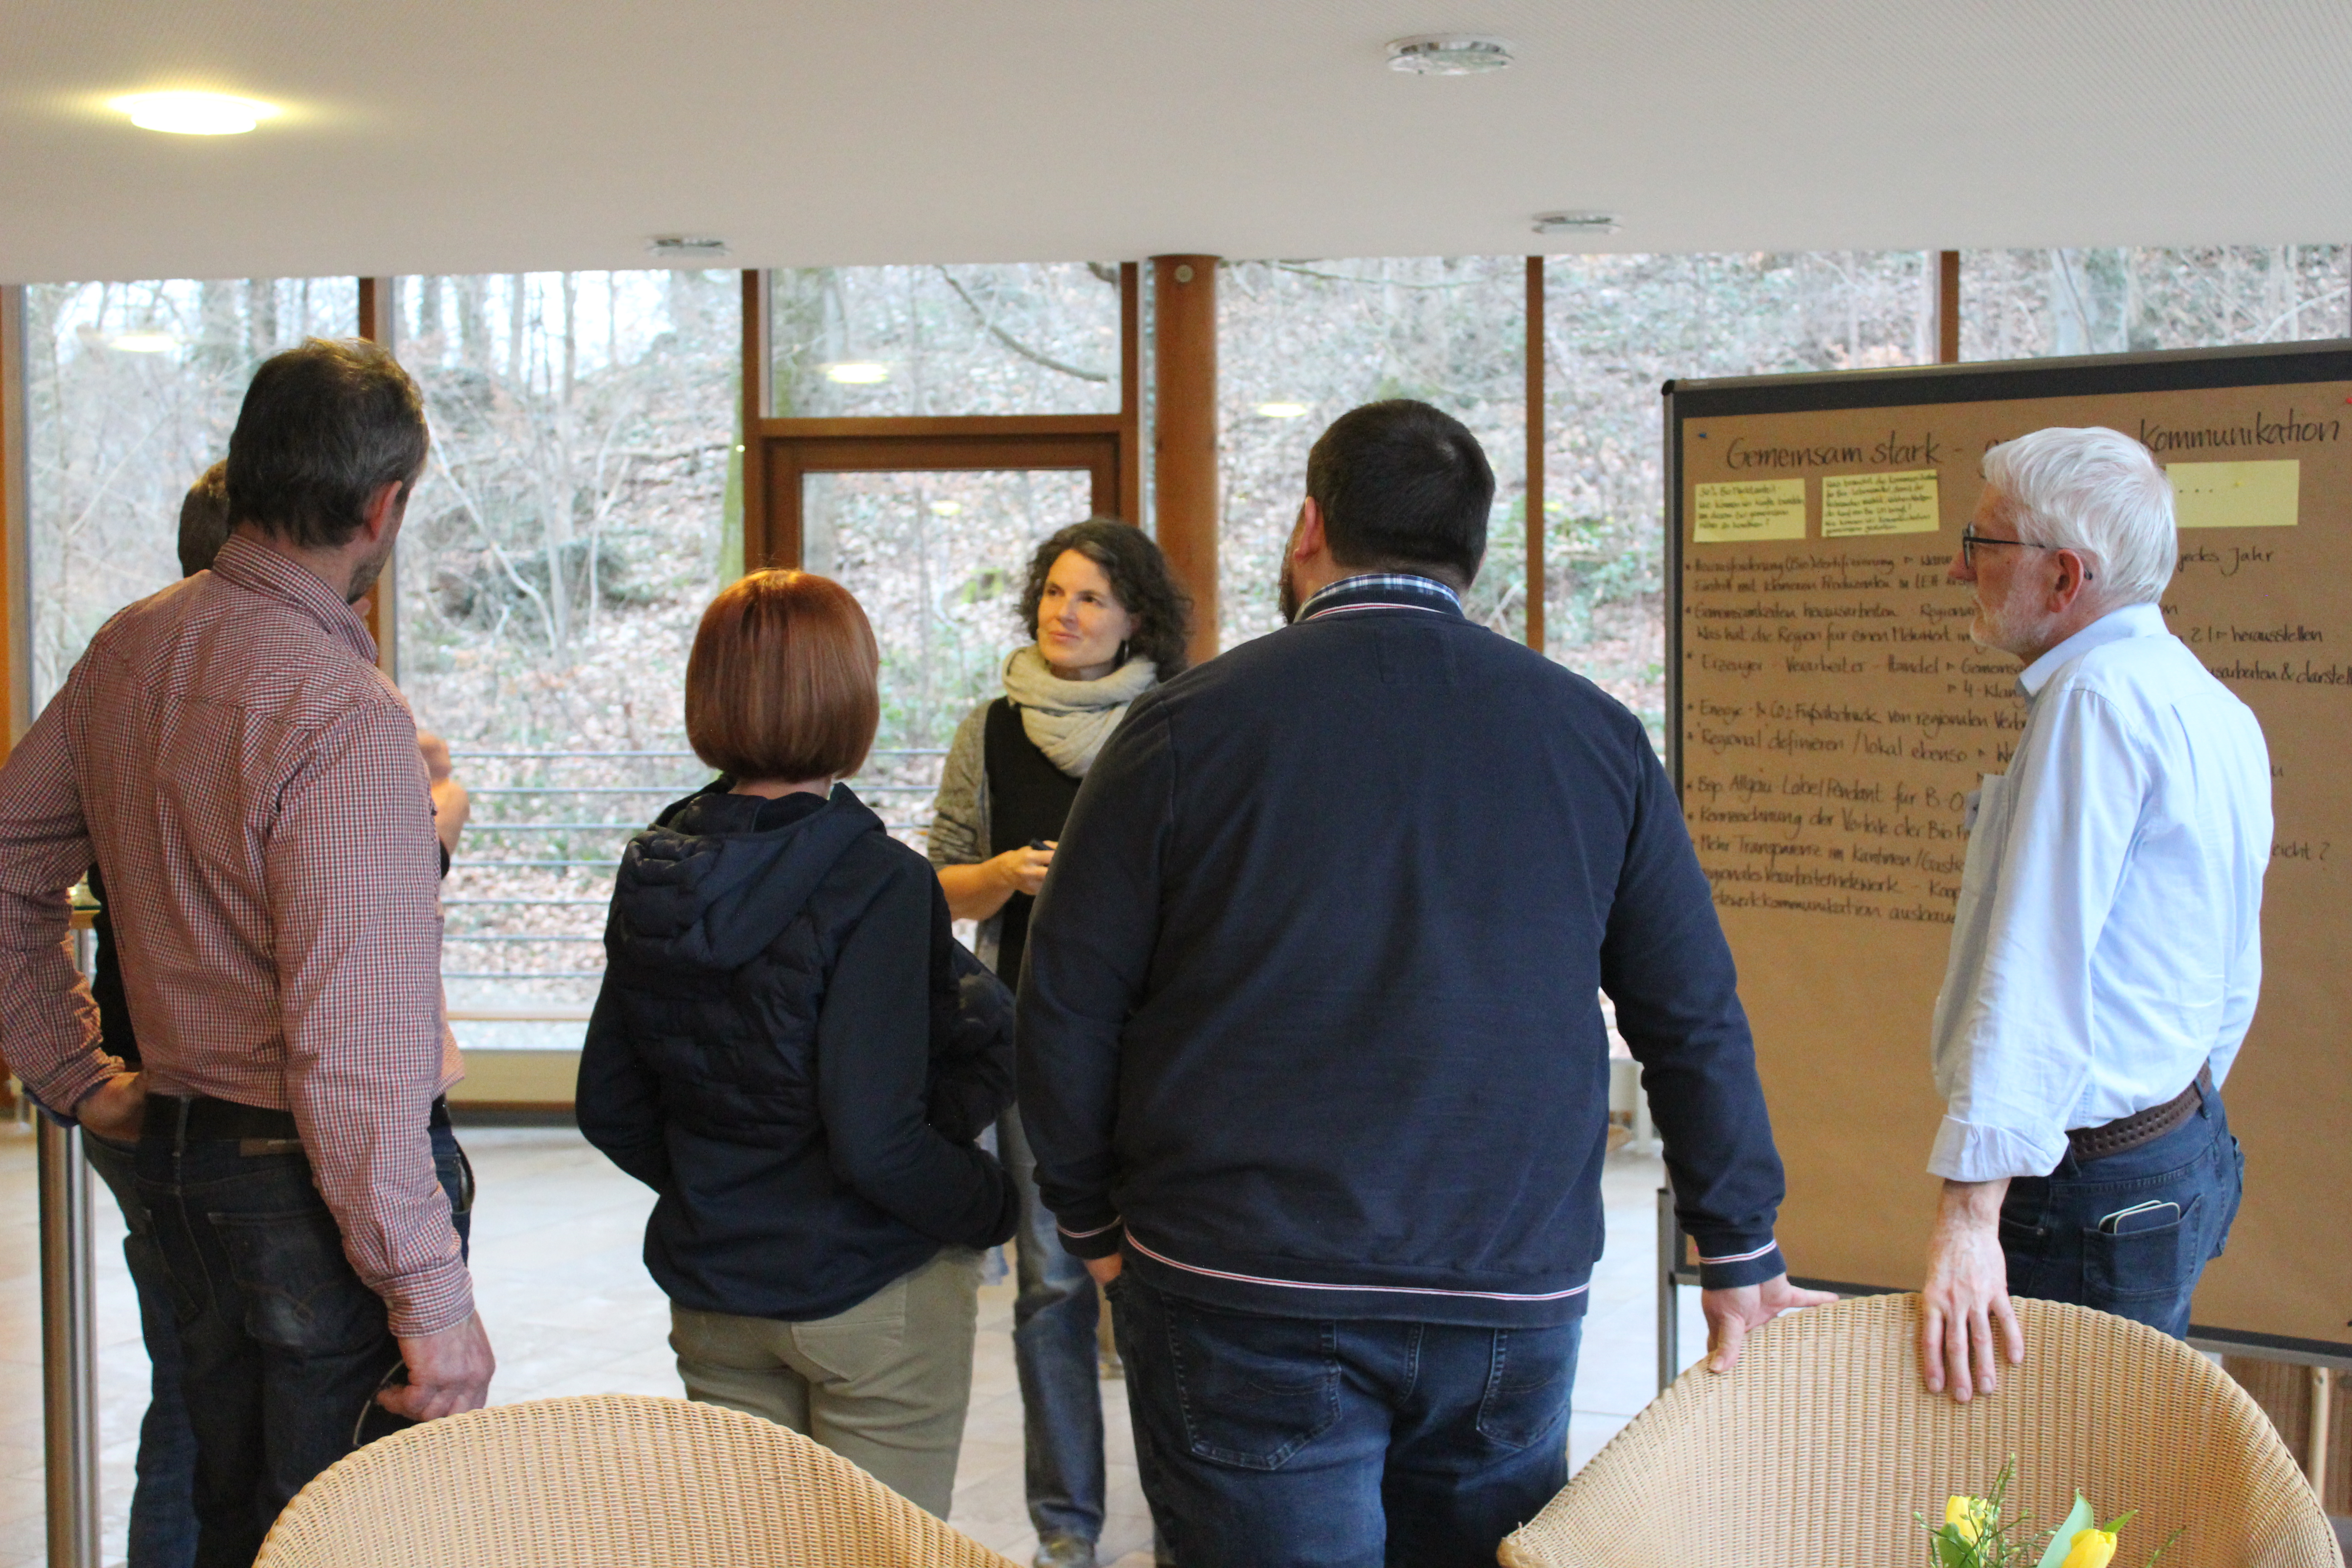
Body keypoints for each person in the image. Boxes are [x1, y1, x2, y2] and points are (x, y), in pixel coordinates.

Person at [1016, 400, 1830, 1568]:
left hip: (1242, 1276)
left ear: (1310, 529)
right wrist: (1738, 1240)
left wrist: (1087, 1209)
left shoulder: (1182, 730)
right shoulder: (1593, 738)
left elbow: (1069, 997)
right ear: (1475, 551)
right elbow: (1688, 1007)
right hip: (1505, 1284)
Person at [0, 338, 493, 1568]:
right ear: (385, 507)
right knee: (349, 1540)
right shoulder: (343, 715)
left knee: (234, 1526)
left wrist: (74, 1074)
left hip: (182, 1163)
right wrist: (434, 1301)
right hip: (308, 1203)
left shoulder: (133, 648)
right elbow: (351, 1053)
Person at [577, 569, 1019, 1519]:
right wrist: (990, 1206)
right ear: (849, 697)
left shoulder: (657, 866)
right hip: (866, 1293)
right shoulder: (881, 882)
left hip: (715, 1295)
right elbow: (877, 1138)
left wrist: (724, 1186)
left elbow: (608, 1103)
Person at [1918, 427, 2269, 1401]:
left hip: (2084, 1195)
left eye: (1983, 546)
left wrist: (1969, 1221)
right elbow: (2233, 973)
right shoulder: (2208, 702)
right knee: (2098, 1494)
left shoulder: (2096, 702)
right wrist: (2161, 1123)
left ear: (2065, 576)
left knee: (2029, 1508)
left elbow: (2033, 968)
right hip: (2176, 1148)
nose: (1958, 569)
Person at [927, 518, 1190, 1568]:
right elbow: (935, 883)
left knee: (1174, 1289)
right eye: (1053, 594)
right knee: (1053, 1289)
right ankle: (1065, 1533)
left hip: (1163, 1050)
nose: (1067, 614)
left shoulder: (1177, 724)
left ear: (1136, 619)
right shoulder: (989, 729)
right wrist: (1003, 876)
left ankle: (1184, 1519)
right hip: (1033, 1043)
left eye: (1091, 598)